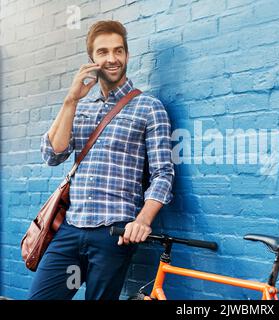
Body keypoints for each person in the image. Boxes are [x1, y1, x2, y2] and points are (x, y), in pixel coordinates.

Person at [28, 20, 175, 300]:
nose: (112, 59)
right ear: (92, 60)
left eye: (118, 51)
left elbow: (163, 174)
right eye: (103, 52)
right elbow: (52, 155)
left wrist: (143, 220)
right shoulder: (81, 108)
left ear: (127, 55)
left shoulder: (149, 107)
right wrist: (70, 100)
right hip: (70, 229)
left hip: (112, 233)